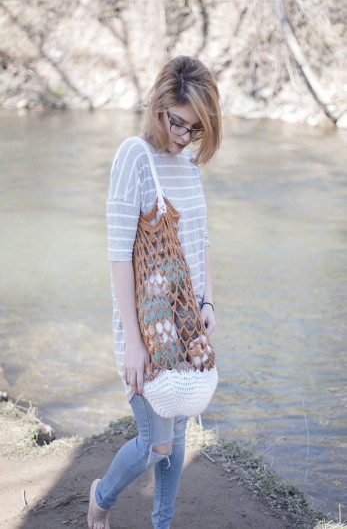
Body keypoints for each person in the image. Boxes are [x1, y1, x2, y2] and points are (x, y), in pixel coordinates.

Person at [88, 55, 222, 529]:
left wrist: (207, 305)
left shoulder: (188, 165)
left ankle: (161, 523)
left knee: (180, 431)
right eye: (177, 123)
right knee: (154, 444)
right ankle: (100, 500)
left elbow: (200, 243)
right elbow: (119, 255)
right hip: (146, 326)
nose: (184, 138)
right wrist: (136, 342)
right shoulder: (134, 156)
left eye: (196, 130)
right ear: (157, 105)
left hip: (187, 324)